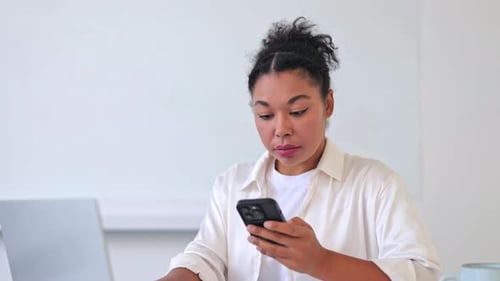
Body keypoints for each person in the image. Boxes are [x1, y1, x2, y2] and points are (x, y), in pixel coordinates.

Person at [158, 17, 441, 281]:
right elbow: (205, 257)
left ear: (328, 104)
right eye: (265, 115)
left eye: (297, 110)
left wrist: (322, 262)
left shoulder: (375, 184)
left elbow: (422, 273)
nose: (281, 129)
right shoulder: (232, 185)